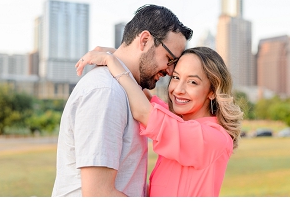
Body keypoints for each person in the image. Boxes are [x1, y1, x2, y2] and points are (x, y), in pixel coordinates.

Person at [51, 4, 192, 197]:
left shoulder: (127, 90)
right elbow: (98, 194)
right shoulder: (106, 92)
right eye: (169, 59)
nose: (169, 71)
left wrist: (111, 55)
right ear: (144, 40)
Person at [75, 46, 241, 196]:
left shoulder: (213, 138)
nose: (178, 90)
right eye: (176, 78)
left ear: (212, 91)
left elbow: (143, 111)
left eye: (192, 82)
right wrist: (118, 55)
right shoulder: (178, 123)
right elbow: (143, 96)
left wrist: (111, 60)